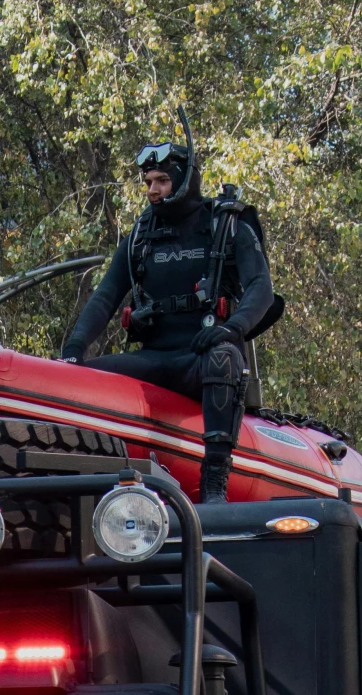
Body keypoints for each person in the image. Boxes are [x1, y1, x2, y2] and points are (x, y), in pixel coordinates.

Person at [60, 134, 279, 504]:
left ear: (184, 180)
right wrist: (73, 353)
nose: (153, 191)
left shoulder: (225, 224)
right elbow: (105, 298)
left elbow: (262, 289)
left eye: (162, 181)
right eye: (148, 183)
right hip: (155, 359)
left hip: (203, 359)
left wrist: (232, 328)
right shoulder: (140, 238)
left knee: (224, 358)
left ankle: (214, 484)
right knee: (82, 378)